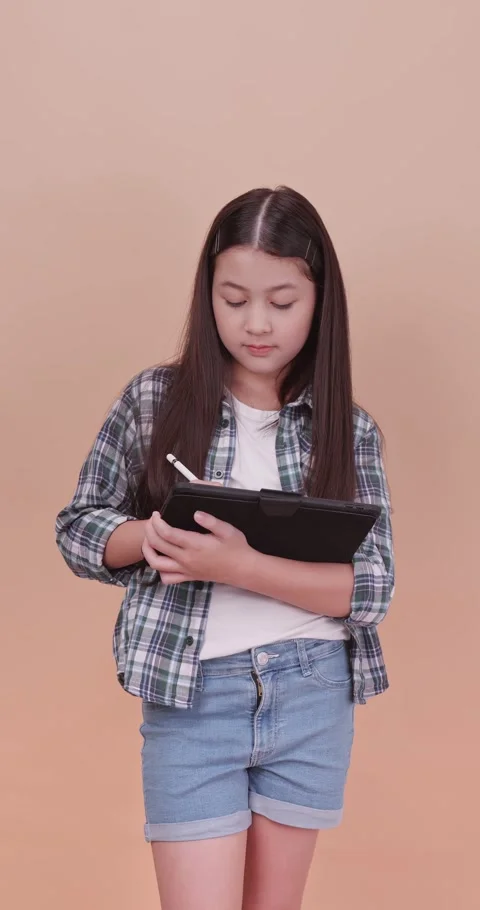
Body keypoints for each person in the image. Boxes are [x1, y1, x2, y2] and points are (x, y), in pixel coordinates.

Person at [56, 186, 394, 910]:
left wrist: (239, 566)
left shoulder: (349, 429)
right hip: (194, 695)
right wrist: (148, 537)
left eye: (282, 301)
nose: (256, 323)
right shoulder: (155, 400)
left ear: (320, 302)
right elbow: (78, 529)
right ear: (207, 294)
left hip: (311, 690)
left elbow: (369, 590)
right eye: (234, 299)